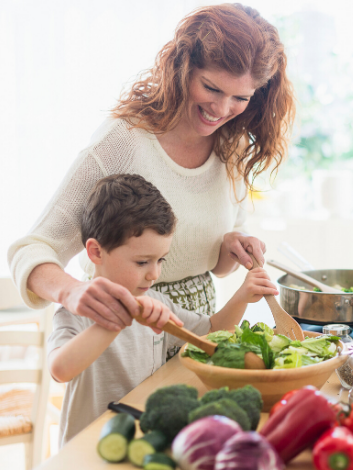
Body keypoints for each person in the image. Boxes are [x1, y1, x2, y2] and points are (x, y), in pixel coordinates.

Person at [7, 3, 294, 338]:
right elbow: (32, 248)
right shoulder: (123, 140)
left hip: (198, 335)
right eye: (212, 88)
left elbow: (216, 266)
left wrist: (233, 244)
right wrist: (72, 293)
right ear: (182, 68)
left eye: (240, 98)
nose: (222, 109)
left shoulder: (232, 147)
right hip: (120, 333)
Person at [47, 174, 278, 446]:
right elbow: (60, 370)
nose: (154, 274)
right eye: (142, 262)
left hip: (144, 439)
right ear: (96, 252)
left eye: (160, 260)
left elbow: (212, 332)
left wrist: (242, 296)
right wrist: (119, 318)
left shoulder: (158, 303)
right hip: (88, 447)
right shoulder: (75, 312)